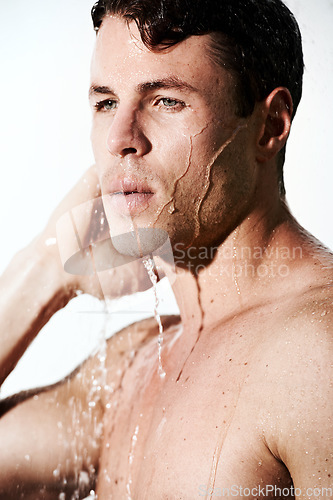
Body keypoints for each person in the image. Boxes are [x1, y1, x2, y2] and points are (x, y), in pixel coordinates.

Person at [0, 0, 332, 498]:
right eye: (106, 102)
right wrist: (49, 266)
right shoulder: (131, 368)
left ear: (270, 124)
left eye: (165, 101)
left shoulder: (316, 354)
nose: (120, 138)